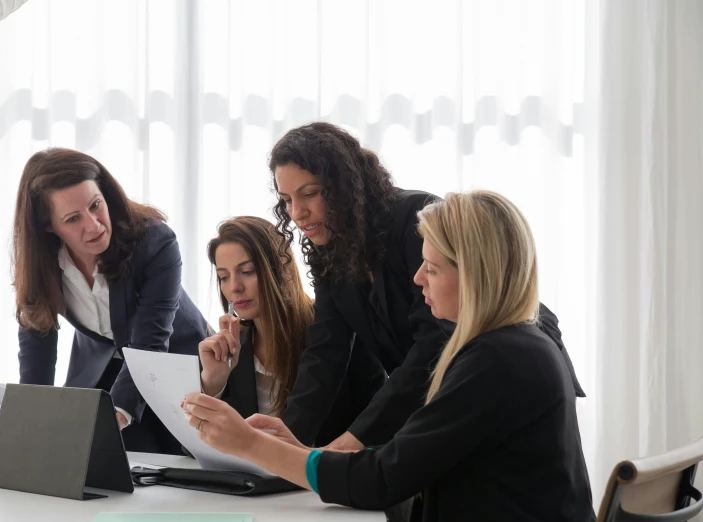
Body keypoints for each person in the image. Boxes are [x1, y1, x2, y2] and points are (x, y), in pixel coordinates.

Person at [181, 190, 596, 522]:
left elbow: (380, 478)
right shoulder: (507, 348)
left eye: (431, 269)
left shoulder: (497, 361)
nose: (416, 278)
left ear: (474, 273)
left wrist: (252, 444)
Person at [266, 121, 584, 449]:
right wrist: (285, 444)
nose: (297, 213)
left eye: (309, 194)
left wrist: (353, 440)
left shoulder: (416, 218)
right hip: (456, 385)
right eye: (286, 200)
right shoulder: (329, 251)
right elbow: (325, 352)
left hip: (515, 374)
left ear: (343, 186)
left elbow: (434, 339)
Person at [0, 148, 207, 456]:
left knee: (174, 475)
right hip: (106, 372)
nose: (93, 225)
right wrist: (23, 431)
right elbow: (36, 355)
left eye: (96, 205)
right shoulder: (39, 264)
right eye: (72, 219)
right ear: (48, 226)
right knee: (94, 470)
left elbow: (149, 344)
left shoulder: (154, 242)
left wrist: (111, 419)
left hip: (177, 367)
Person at [198, 216, 385, 446]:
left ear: (279, 270)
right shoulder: (231, 345)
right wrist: (212, 385)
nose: (234, 287)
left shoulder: (335, 332)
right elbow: (193, 448)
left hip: (326, 476)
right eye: (223, 277)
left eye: (247, 271)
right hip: (257, 479)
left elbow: (380, 425)